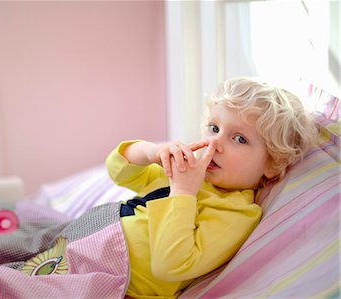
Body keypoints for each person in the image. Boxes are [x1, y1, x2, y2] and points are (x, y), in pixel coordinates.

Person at [106, 77, 316, 298]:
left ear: (273, 163)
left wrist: (183, 192)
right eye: (214, 128)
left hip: (114, 283)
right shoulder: (185, 171)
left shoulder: (235, 213)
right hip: (82, 240)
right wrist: (151, 152)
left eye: (239, 139)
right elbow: (118, 171)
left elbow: (169, 265)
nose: (215, 143)